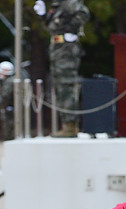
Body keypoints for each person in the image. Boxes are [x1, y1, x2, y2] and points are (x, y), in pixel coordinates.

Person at [33, 0, 90, 137]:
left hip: (66, 48)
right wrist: (43, 16)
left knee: (66, 85)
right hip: (58, 48)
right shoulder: (57, 6)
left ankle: (70, 125)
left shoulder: (69, 2)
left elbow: (83, 14)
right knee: (59, 86)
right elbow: (52, 27)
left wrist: (72, 29)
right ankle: (66, 123)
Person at [0, 61, 16, 140]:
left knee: (9, 125)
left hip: (10, 107)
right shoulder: (11, 80)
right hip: (11, 107)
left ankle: (9, 139)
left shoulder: (9, 82)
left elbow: (5, 95)